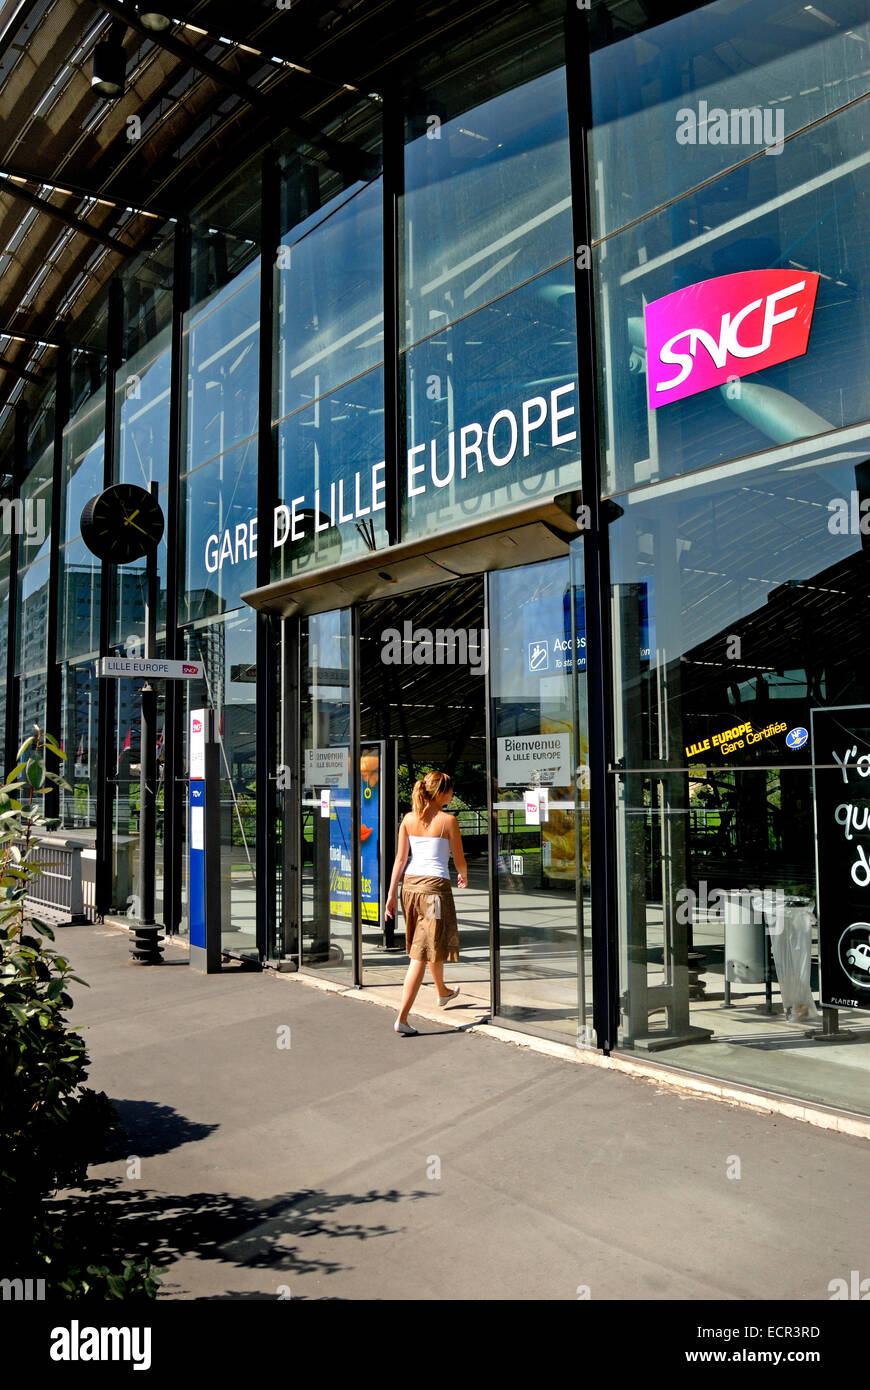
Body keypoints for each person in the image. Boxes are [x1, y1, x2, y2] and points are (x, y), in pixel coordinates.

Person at [385, 770, 467, 1036]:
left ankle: (442, 991)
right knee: (421, 952)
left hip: (409, 888)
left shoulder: (408, 819)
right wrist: (463, 874)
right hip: (434, 892)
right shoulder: (448, 820)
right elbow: (458, 857)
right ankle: (402, 1017)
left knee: (430, 941)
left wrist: (390, 895)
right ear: (442, 793)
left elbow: (399, 859)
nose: (452, 795)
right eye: (451, 791)